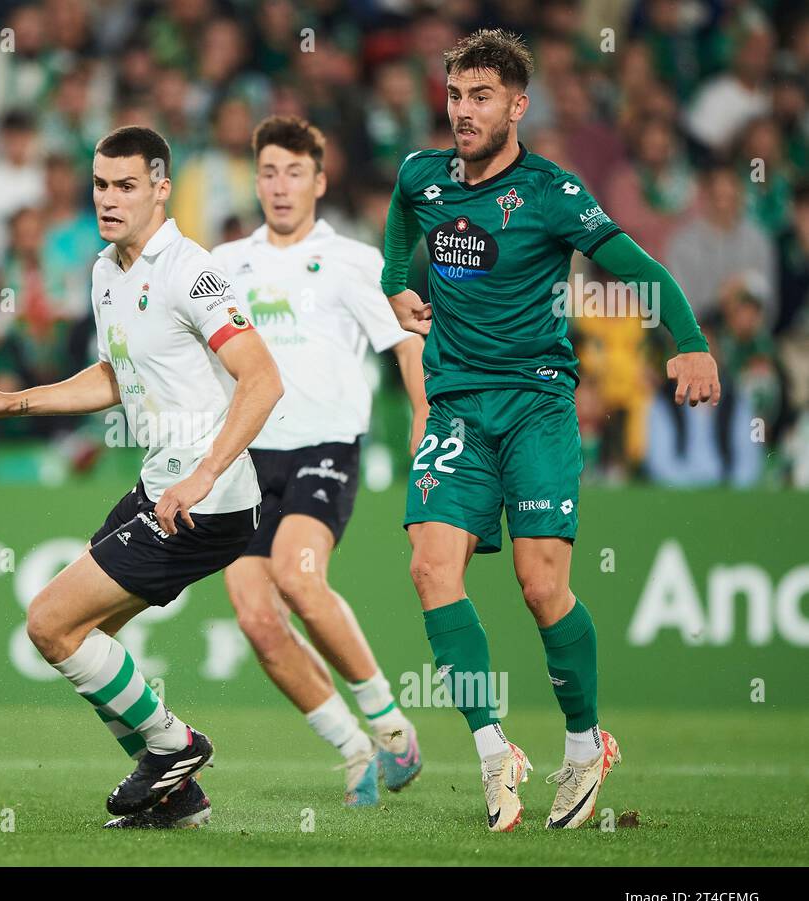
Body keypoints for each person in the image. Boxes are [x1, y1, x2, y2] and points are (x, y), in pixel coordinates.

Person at [380, 30, 720, 831]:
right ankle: (495, 753)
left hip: (535, 407)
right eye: (456, 96)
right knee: (431, 570)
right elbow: (399, 233)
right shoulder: (421, 178)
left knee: (541, 588)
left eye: (482, 98)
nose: (464, 112)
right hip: (458, 406)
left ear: (518, 106)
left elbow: (644, 271)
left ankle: (582, 745)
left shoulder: (553, 195)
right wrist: (398, 286)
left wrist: (692, 345)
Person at [0, 127, 283, 829]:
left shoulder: (191, 271)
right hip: (163, 487)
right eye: (100, 185)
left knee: (49, 622)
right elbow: (115, 375)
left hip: (203, 499)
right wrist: (16, 401)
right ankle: (176, 795)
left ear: (161, 188)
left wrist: (205, 472)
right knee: (80, 636)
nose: (108, 198)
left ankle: (175, 748)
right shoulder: (106, 271)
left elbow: (263, 379)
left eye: (126, 185)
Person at [211, 116, 429, 806]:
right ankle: (352, 746)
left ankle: (392, 725)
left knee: (298, 578)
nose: (280, 186)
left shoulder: (354, 262)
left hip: (323, 447)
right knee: (254, 616)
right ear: (257, 179)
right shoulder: (225, 265)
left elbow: (405, 342)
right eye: (270, 172)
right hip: (248, 458)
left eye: (295, 173)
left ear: (320, 181)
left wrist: (424, 417)